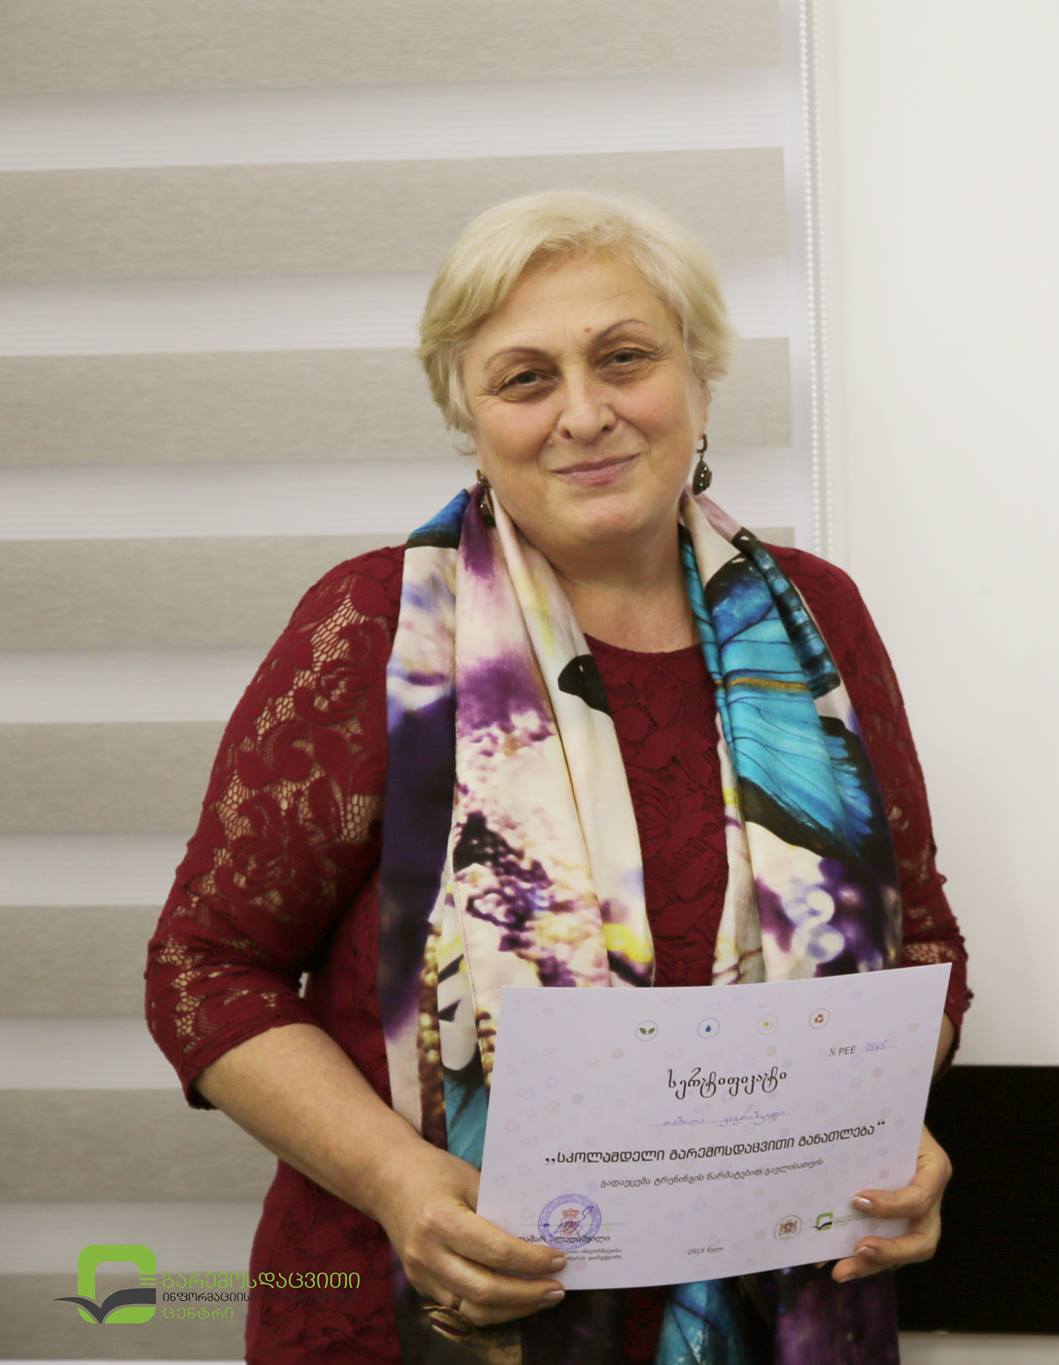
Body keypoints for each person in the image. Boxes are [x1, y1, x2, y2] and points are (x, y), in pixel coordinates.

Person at [144, 189, 972, 1364]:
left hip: (778, 1306)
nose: (584, 414)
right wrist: (398, 1182)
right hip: (425, 1309)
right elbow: (205, 969)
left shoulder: (818, 621)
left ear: (698, 378)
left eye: (624, 358)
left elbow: (921, 942)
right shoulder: (378, 629)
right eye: (526, 379)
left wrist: (877, 1134)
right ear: (469, 416)